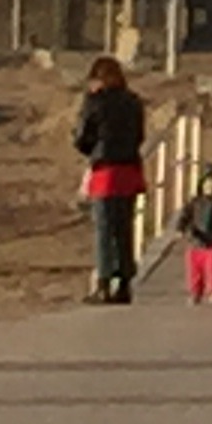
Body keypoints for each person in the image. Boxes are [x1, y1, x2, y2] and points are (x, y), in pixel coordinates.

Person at [74, 57, 147, 305]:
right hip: (130, 169)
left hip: (105, 169)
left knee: (104, 230)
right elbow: (139, 136)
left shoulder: (95, 102)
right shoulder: (133, 102)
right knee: (124, 228)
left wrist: (91, 149)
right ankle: (124, 284)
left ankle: (104, 283)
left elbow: (83, 137)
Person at [177, 164, 212, 303]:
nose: (209, 186)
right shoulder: (194, 203)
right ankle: (195, 292)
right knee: (194, 271)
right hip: (195, 241)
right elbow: (185, 217)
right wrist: (181, 229)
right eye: (207, 182)